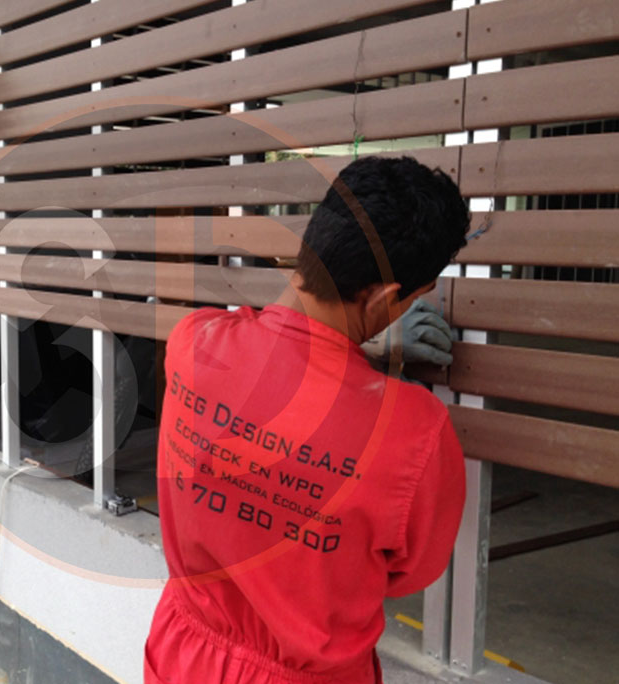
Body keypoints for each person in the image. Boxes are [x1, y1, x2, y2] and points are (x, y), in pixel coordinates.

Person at [144, 156, 470, 684]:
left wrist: (358, 344)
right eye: (412, 298)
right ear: (385, 297)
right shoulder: (414, 432)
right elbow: (409, 572)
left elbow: (276, 359)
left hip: (182, 654)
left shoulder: (193, 343)